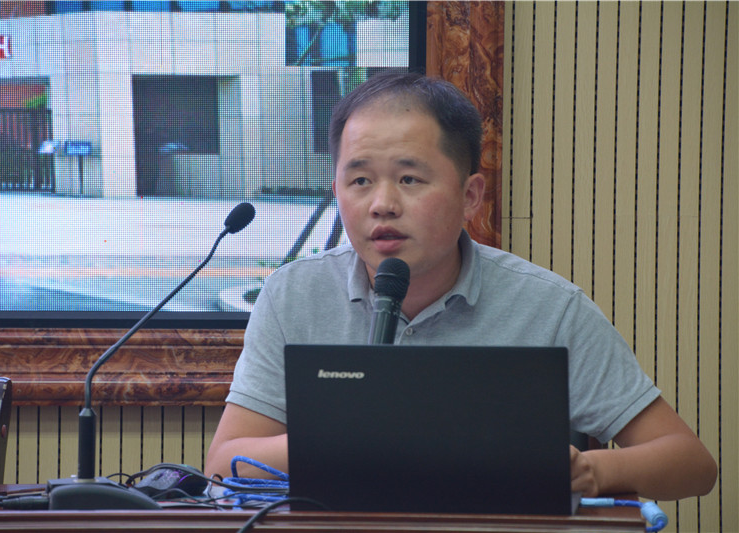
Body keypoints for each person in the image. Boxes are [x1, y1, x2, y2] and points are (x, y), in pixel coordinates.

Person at [204, 71, 717, 500]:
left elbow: (691, 464)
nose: (382, 204)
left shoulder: (550, 307)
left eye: (409, 179)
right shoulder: (293, 295)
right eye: (360, 180)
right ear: (336, 190)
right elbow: (224, 463)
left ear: (470, 196)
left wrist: (593, 471)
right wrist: (350, 442)